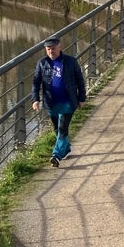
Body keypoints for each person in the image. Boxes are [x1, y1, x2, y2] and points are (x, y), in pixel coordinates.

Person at [32, 37, 87, 167]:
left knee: (62, 128)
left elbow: (80, 80)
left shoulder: (70, 62)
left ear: (60, 47)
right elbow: (36, 83)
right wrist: (35, 99)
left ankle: (56, 155)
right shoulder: (42, 63)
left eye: (53, 48)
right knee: (57, 129)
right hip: (51, 102)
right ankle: (66, 148)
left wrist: (82, 98)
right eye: (48, 49)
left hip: (68, 101)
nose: (51, 51)